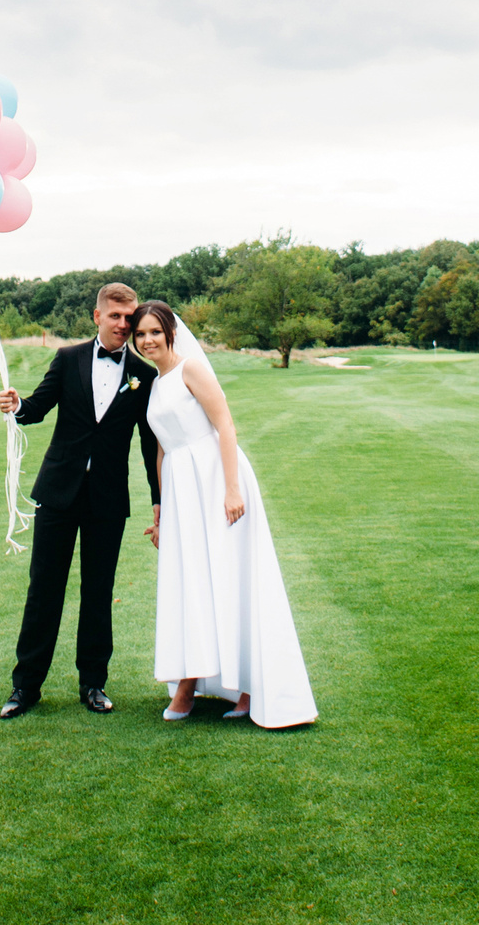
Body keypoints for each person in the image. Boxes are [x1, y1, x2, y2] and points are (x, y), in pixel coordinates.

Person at [136, 300, 317, 728]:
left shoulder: (190, 371)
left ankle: (251, 685)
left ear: (171, 334)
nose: (147, 341)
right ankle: (191, 680)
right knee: (194, 580)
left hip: (217, 479)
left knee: (234, 576)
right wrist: (164, 514)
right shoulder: (155, 384)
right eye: (141, 334)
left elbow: (226, 425)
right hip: (183, 488)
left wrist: (233, 488)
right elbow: (162, 450)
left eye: (155, 333)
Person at [0, 283, 162, 718]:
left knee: (98, 593)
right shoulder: (67, 359)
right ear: (97, 316)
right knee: (43, 591)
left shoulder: (145, 375)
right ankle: (26, 687)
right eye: (116, 318)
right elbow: (37, 407)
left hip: (108, 499)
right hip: (58, 493)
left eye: (130, 319)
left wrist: (159, 501)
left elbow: (150, 445)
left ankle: (93, 684)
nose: (124, 326)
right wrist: (15, 405)